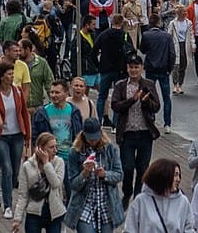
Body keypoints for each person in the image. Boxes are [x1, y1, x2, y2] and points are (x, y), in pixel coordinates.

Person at [111, 53, 161, 208]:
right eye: (131, 67)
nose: (133, 70)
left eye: (136, 67)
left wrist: (146, 101)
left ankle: (138, 198)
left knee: (143, 168)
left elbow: (156, 106)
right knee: (128, 167)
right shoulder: (120, 86)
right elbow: (115, 106)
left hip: (145, 133)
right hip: (127, 134)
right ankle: (127, 192)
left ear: (142, 68)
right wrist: (132, 100)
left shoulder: (149, 84)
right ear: (127, 68)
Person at [0, 60, 32, 217]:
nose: (12, 76)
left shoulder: (18, 91)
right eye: (9, 74)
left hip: (17, 135)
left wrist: (27, 135)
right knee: (6, 168)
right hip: (1, 136)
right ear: (1, 77)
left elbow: (24, 113)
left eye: (13, 73)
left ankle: (7, 193)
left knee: (15, 171)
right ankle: (8, 205)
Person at [64, 117, 124, 233]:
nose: (93, 141)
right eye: (90, 138)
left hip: (106, 203)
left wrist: (105, 174)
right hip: (84, 203)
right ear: (83, 135)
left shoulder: (110, 149)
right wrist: (84, 173)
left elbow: (119, 174)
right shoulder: (75, 152)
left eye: (95, 138)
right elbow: (73, 184)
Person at [14, 132, 68, 233]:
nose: (55, 150)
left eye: (56, 147)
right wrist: (17, 219)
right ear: (41, 148)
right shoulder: (27, 166)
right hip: (34, 213)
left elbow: (56, 183)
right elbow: (23, 195)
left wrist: (46, 163)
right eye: (51, 147)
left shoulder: (59, 162)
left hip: (55, 213)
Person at [123, 158, 192, 233]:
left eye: (179, 175)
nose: (178, 179)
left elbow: (189, 228)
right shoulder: (140, 201)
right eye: (175, 175)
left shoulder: (183, 201)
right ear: (163, 176)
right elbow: (129, 229)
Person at [139, 12, 176, 130]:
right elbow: (172, 54)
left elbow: (142, 50)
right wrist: (169, 68)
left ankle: (151, 118)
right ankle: (167, 124)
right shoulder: (167, 36)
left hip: (150, 68)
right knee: (166, 97)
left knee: (149, 95)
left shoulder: (146, 35)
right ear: (159, 23)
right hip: (164, 69)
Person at [32, 79, 83, 160]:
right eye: (52, 92)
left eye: (57, 92)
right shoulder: (41, 113)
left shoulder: (74, 112)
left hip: (70, 158)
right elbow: (35, 137)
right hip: (50, 158)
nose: (53, 95)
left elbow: (80, 134)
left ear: (66, 93)